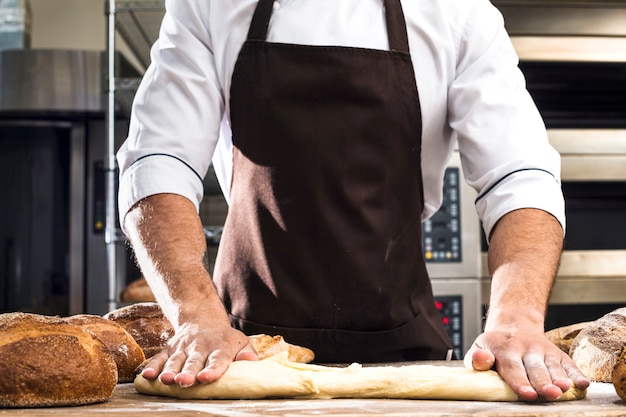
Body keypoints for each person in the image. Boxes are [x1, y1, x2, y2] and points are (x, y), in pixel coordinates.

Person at [117, 0, 590, 401]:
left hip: (405, 347)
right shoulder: (211, 5)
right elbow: (160, 160)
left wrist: (517, 317)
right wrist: (195, 318)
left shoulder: (457, 11)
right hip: (236, 350)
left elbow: (517, 175)